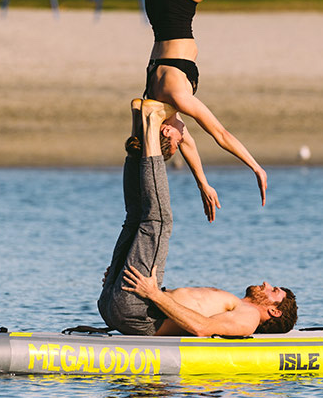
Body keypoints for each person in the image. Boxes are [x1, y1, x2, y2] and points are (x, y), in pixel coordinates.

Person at [113, 0, 315, 216]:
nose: (183, 137)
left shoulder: (177, 98)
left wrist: (255, 166)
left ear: (166, 131)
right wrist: (203, 183)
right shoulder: (153, 105)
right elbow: (190, 147)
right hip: (157, 8)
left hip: (178, 4)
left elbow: (219, 134)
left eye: (176, 141)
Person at [98, 98, 297, 336]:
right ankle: (139, 121)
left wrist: (153, 294)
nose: (266, 283)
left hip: (136, 309)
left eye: (273, 291)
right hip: (122, 301)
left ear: (275, 312)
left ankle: (151, 124)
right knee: (136, 218)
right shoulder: (236, 304)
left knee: (158, 222)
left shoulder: (249, 319)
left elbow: (202, 328)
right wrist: (123, 279)